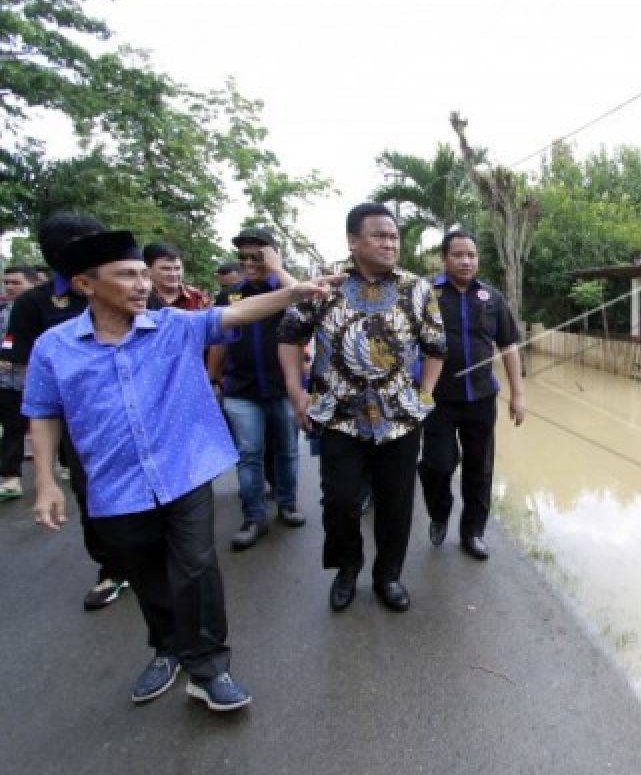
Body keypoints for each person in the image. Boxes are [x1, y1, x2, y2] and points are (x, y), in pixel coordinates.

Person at [24, 229, 341, 710]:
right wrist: (45, 481)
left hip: (184, 468)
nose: (141, 284)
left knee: (195, 567)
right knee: (148, 574)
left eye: (141, 274)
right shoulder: (54, 348)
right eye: (126, 275)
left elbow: (235, 313)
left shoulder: (173, 325)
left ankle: (209, 668)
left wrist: (293, 291)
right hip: (114, 483)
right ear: (86, 285)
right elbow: (43, 411)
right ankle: (167, 648)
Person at [278, 203, 445, 612]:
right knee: (341, 501)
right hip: (339, 416)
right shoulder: (324, 286)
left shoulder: (417, 288)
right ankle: (347, 567)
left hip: (401, 419)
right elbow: (287, 335)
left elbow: (436, 345)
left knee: (396, 502)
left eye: (394, 236)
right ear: (353, 241)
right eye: (380, 235)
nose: (390, 243)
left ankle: (388, 575)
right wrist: (295, 392)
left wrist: (425, 392)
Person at [0, 212, 130, 609]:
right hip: (83, 429)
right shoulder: (33, 305)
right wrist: (43, 477)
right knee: (93, 497)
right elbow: (36, 392)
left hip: (144, 417)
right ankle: (112, 570)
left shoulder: (130, 288)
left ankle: (156, 560)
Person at [417, 231, 525, 561]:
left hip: (480, 398)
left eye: (472, 255)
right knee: (437, 465)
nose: (467, 261)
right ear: (444, 258)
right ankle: (439, 512)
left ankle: (473, 532)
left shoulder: (491, 298)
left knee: (480, 468)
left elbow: (508, 346)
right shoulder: (427, 296)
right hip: (437, 399)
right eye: (459, 255)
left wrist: (518, 394)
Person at [207, 228, 303, 550]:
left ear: (273, 255)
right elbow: (219, 341)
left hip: (282, 388)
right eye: (244, 256)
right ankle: (253, 518)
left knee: (287, 451)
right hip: (241, 390)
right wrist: (211, 378)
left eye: (257, 256)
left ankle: (287, 504)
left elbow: (306, 304)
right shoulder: (231, 295)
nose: (249, 262)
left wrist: (276, 269)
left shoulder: (287, 288)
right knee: (249, 456)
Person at [0, 265, 40, 500]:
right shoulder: (3, 312)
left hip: (39, 383)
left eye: (16, 282)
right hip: (7, 383)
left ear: (32, 284)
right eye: (7, 282)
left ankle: (67, 464)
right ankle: (11, 477)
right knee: (13, 430)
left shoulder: (44, 311)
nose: (10, 287)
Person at [143, 242, 211, 310]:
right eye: (166, 269)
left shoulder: (198, 298)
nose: (173, 274)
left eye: (177, 268)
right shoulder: (140, 295)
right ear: (148, 269)